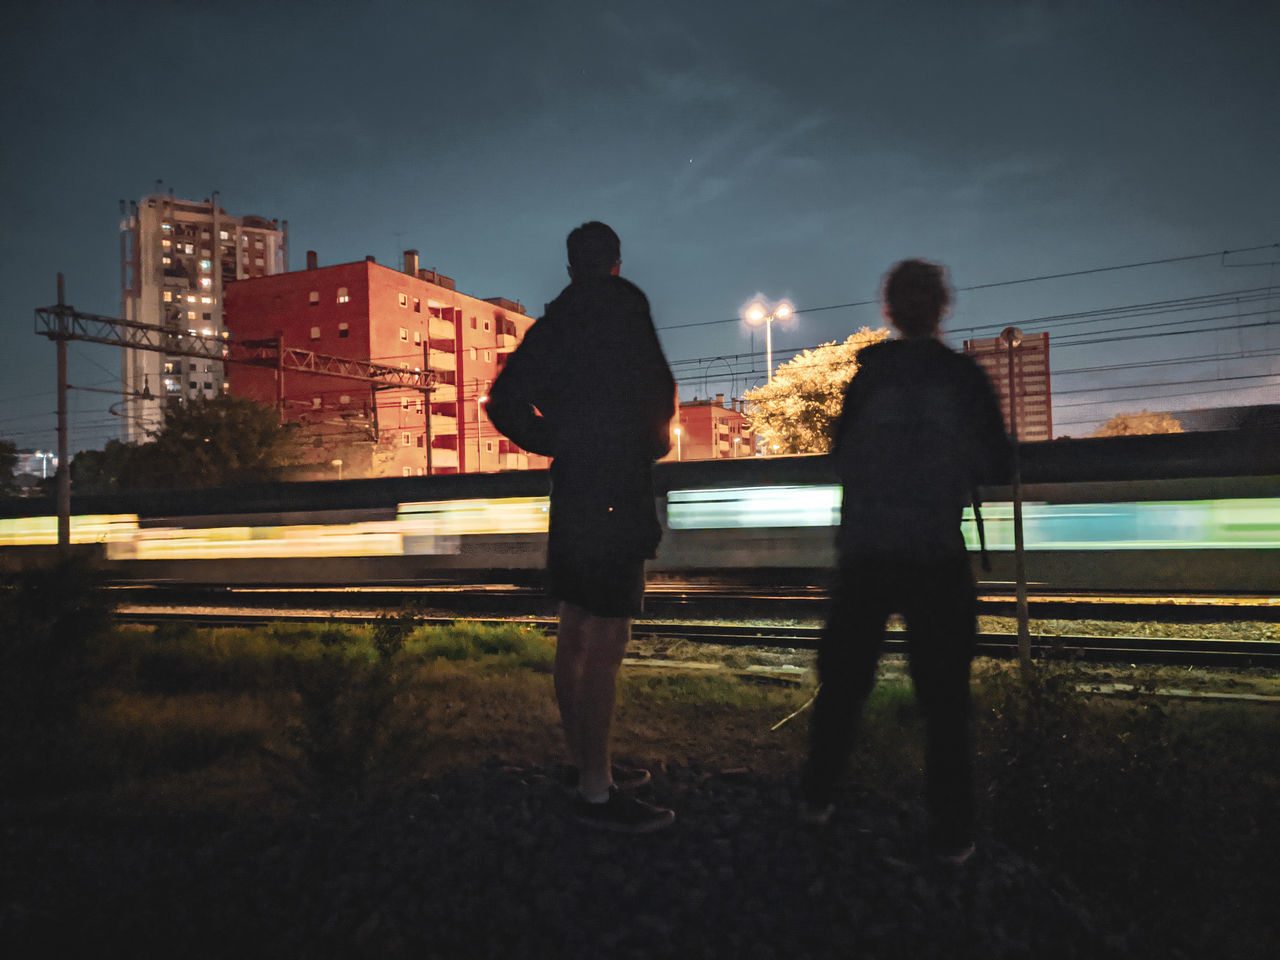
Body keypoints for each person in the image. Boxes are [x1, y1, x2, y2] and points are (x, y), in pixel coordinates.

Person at [799, 258, 1012, 864]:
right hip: (936, 552)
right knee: (944, 698)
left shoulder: (870, 372)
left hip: (867, 549)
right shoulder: (963, 377)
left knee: (843, 683)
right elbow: (997, 461)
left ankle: (815, 802)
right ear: (943, 307)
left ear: (888, 310)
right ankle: (951, 834)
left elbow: (842, 452)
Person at [486, 221, 677, 834]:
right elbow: (660, 393)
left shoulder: (556, 324)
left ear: (571, 267)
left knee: (575, 629)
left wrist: (558, 441)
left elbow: (501, 401)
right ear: (617, 263)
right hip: (617, 487)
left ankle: (582, 763)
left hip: (573, 489)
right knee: (607, 641)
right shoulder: (627, 310)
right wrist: (641, 444)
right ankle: (597, 790)